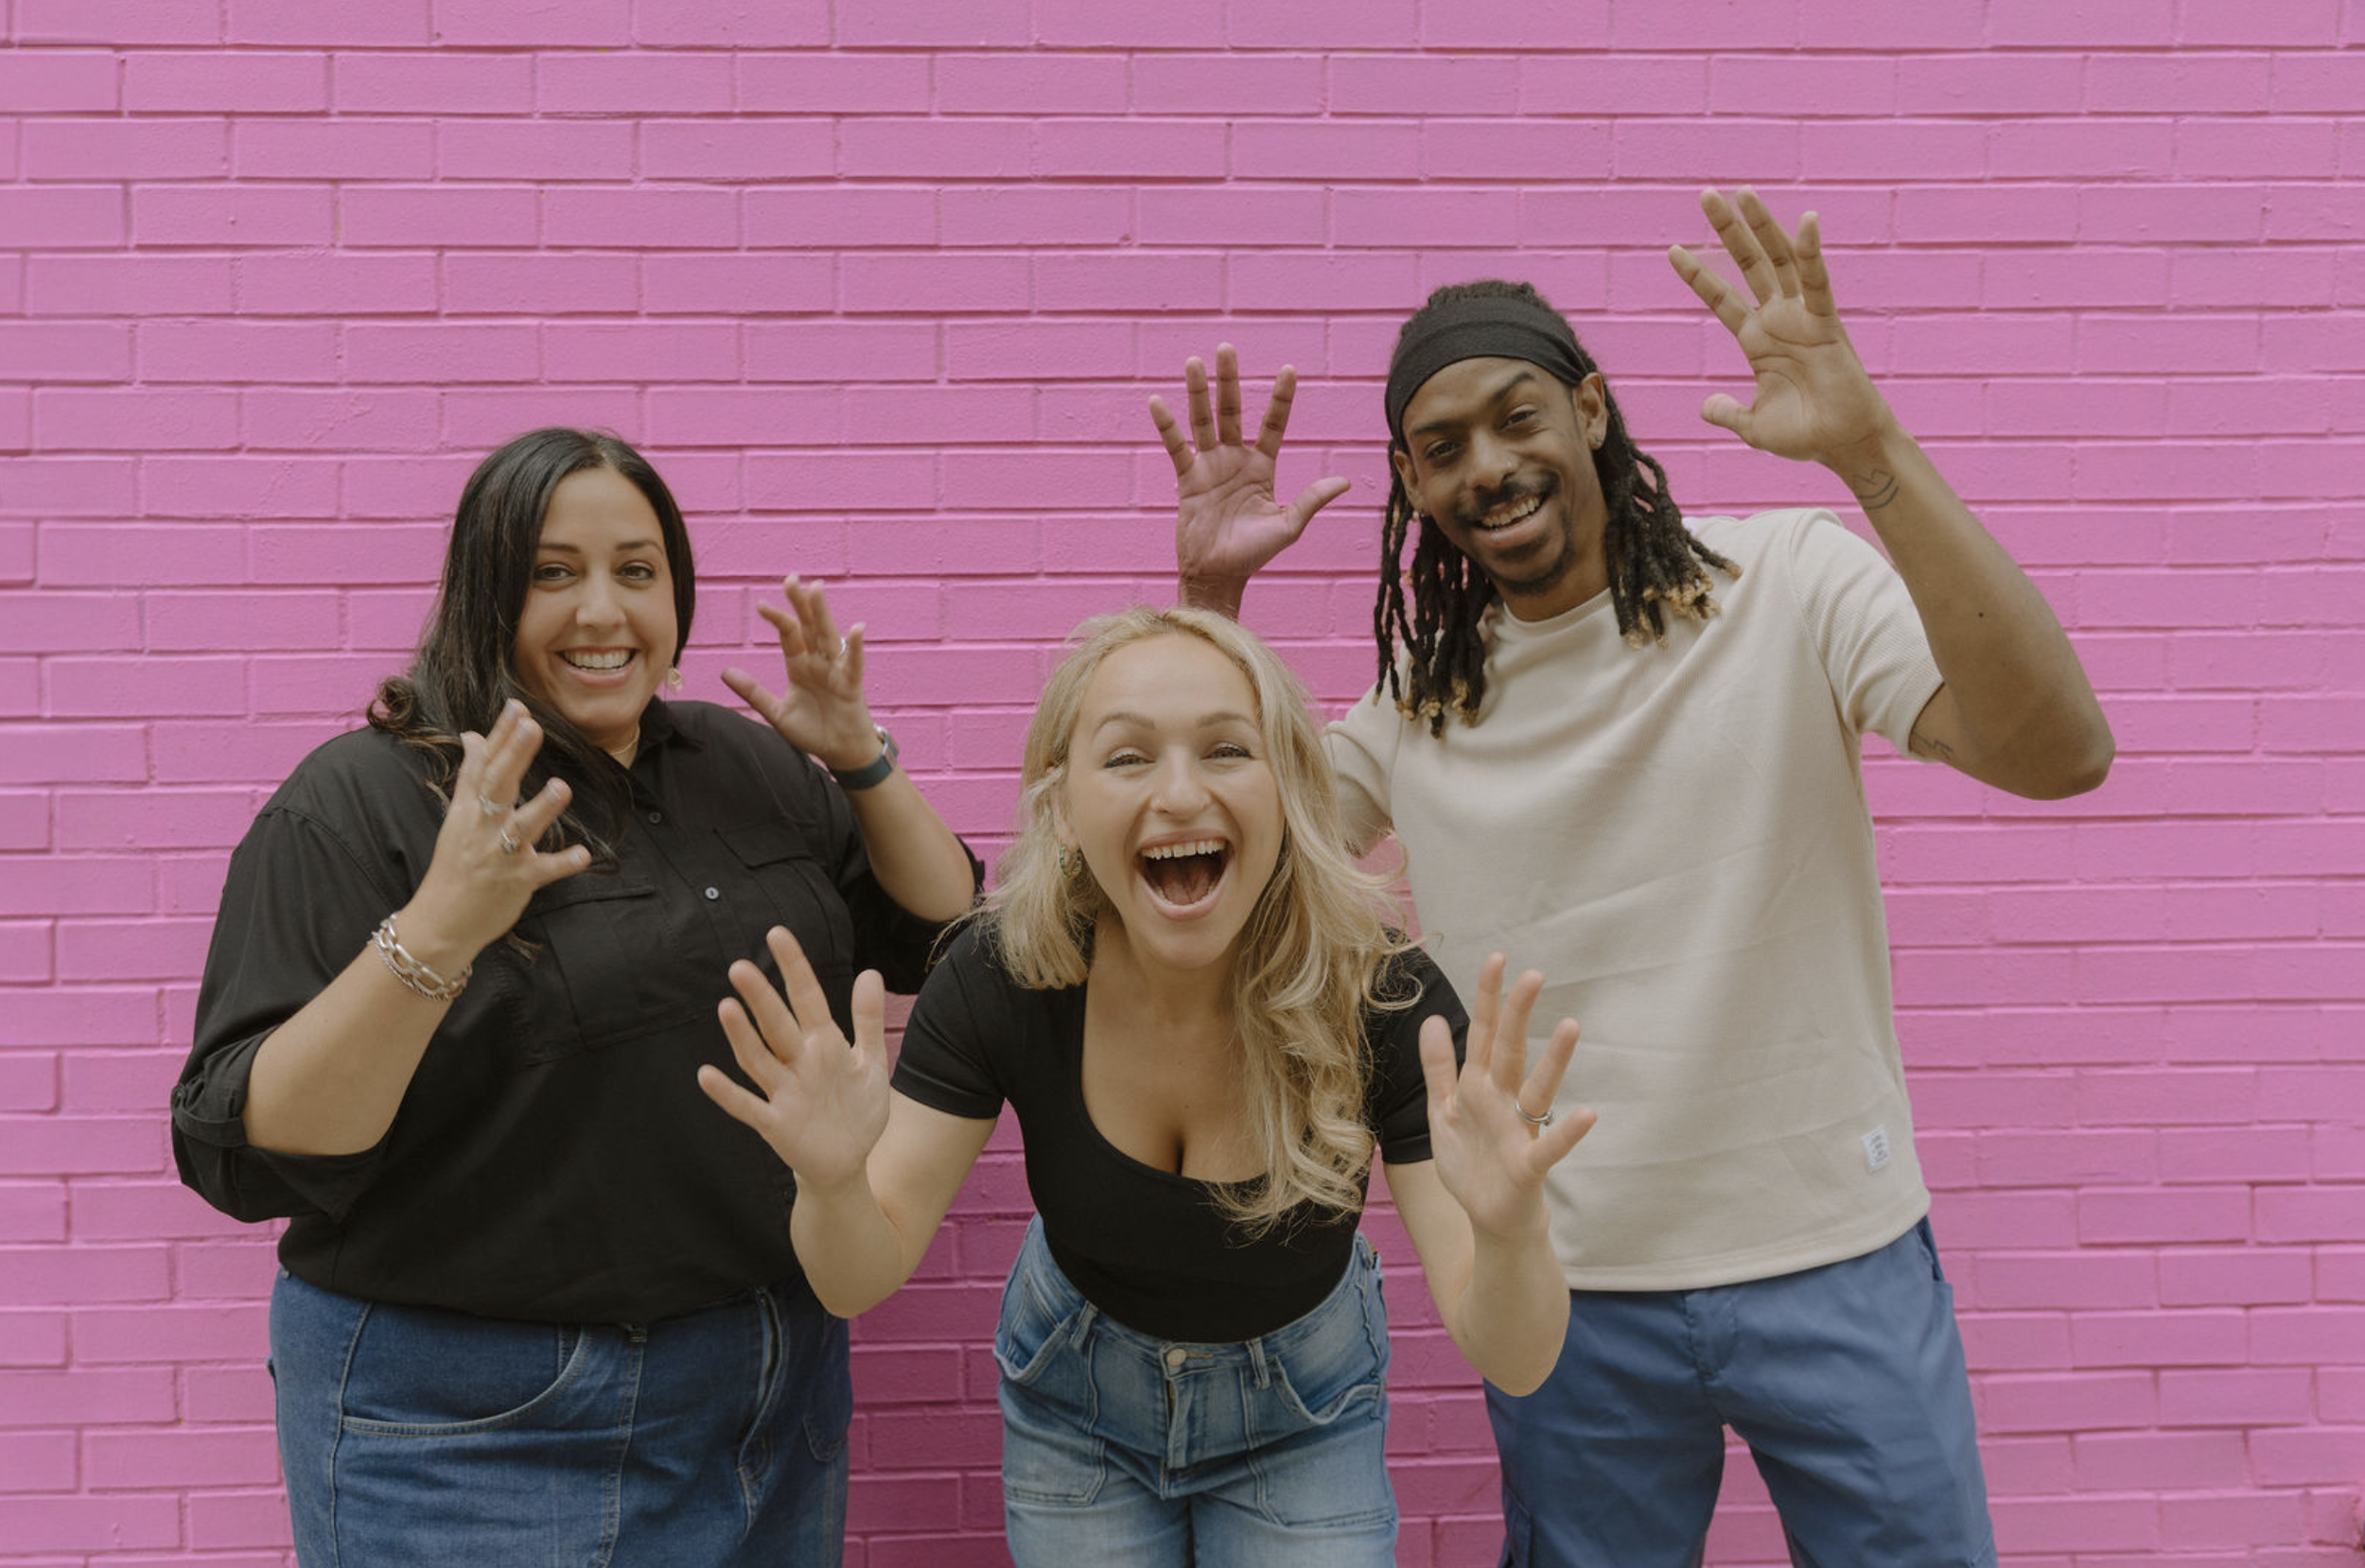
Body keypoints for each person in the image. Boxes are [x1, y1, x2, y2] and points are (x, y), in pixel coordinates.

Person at [1150, 189, 2114, 1565]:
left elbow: (2061, 751)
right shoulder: (1416, 704)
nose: (1486, 464)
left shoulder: (1787, 579)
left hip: (1832, 1248)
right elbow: (1214, 864)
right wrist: (1211, 605)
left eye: (1515, 416)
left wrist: (1871, 450)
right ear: (1414, 488)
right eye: (1441, 448)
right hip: (1569, 1292)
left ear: (1591, 411)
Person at [170, 427, 980, 1566]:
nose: (603, 610)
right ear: (484, 590)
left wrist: (859, 760)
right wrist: (441, 925)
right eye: (553, 572)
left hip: (763, 1390)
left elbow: (945, 937)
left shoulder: (742, 765)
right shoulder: (360, 802)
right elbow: (247, 1144)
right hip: (467, 1427)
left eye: (637, 571)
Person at [699, 605, 1596, 1566]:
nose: (1177, 793)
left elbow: (1517, 1354)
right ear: (1062, 806)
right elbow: (855, 1274)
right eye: (1127, 758)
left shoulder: (1384, 995)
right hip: (1074, 1399)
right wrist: (833, 1182)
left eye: (1226, 750)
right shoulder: (1001, 974)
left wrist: (1512, 1230)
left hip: (1305, 1406)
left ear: (1292, 786)